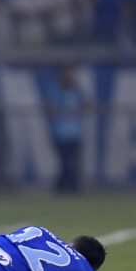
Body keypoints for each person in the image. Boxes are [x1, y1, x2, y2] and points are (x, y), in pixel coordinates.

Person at [45, 65, 89, 193]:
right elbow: (50, 108)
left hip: (75, 133)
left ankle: (72, 188)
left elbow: (87, 106)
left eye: (71, 73)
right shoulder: (55, 89)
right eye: (67, 73)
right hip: (60, 133)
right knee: (65, 164)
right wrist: (69, 111)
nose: (69, 76)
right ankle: (62, 188)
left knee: (74, 163)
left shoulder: (77, 90)